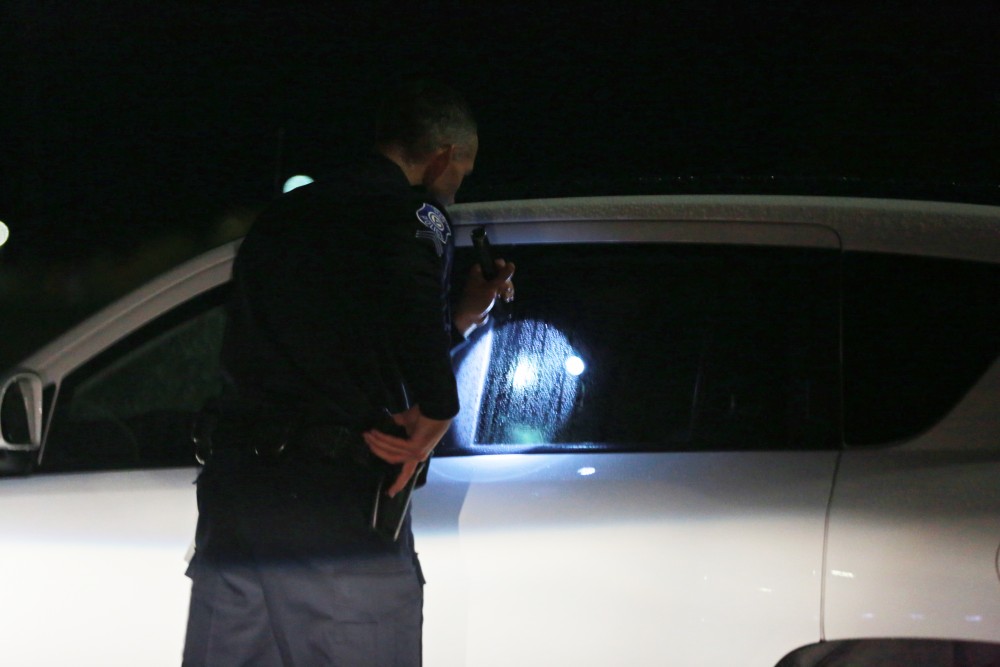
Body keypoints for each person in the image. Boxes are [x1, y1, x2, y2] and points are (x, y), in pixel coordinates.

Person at [182, 80, 514, 666]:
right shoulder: (412, 213)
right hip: (332, 512)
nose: (457, 186)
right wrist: (439, 409)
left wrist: (464, 315)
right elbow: (409, 305)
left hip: (235, 504)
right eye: (462, 171)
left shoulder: (282, 217)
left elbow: (333, 339)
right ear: (440, 157)